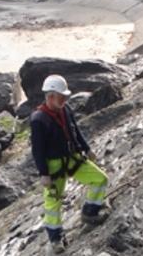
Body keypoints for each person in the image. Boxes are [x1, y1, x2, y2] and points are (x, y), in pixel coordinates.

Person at [30, 74, 109, 255]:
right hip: (54, 167)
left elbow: (75, 130)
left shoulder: (65, 110)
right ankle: (56, 239)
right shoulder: (38, 120)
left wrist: (87, 149)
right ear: (50, 96)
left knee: (100, 179)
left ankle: (90, 212)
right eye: (61, 97)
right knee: (52, 204)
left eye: (65, 96)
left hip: (73, 158)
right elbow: (38, 150)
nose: (64, 99)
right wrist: (44, 173)